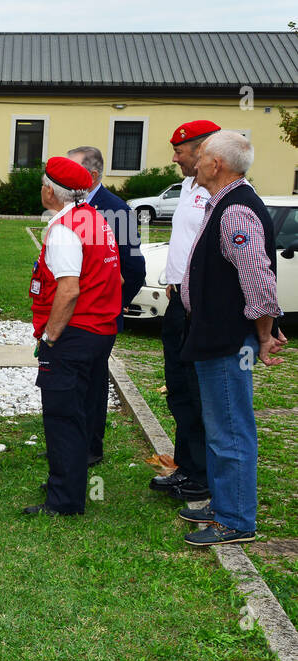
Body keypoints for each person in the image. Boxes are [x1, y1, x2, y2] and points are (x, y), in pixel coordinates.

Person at [177, 131, 285, 546]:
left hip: (227, 340)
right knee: (221, 425)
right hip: (216, 335)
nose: (195, 161)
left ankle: (236, 519)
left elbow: (258, 279)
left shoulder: (236, 210)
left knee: (231, 430)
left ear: (216, 164)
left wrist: (263, 333)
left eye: (200, 155)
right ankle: (224, 505)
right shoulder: (225, 202)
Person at [22, 157, 122, 516]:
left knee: (62, 415)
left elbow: (68, 290)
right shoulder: (94, 218)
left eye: (43, 184)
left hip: (74, 334)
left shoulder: (65, 229)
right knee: (79, 412)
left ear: (50, 191)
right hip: (99, 330)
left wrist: (49, 337)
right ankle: (70, 484)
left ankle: (64, 501)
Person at [150, 120, 218, 505]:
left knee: (198, 391)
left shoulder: (222, 193)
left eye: (181, 151)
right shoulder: (191, 186)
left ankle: (204, 475)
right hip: (179, 301)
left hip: (202, 308)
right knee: (178, 389)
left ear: (204, 149)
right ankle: (187, 468)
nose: (174, 157)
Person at [66, 145, 144, 466]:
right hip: (71, 314)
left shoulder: (115, 211)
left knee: (92, 383)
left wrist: (113, 306)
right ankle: (69, 441)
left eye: (72, 171)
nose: (64, 177)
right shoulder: (71, 206)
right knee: (70, 382)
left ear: (92, 175)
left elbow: (134, 270)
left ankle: (90, 447)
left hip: (99, 318)